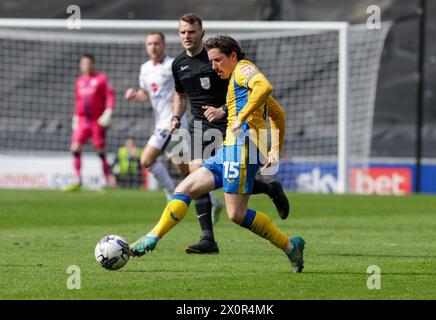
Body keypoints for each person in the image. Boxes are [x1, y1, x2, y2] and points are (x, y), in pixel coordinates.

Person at [129, 35, 305, 273]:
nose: (214, 66)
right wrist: (274, 150)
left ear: (233, 55)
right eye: (211, 61)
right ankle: (152, 237)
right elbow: (278, 113)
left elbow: (265, 86)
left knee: (236, 214)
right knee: (184, 189)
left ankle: (289, 246)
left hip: (242, 149)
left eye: (218, 60)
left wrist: (242, 119)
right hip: (228, 149)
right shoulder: (238, 81)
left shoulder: (244, 69)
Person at [169, 13, 290, 254]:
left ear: (201, 33)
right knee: (195, 171)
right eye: (182, 32)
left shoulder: (218, 59)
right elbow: (180, 95)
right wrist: (175, 117)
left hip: (229, 124)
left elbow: (243, 92)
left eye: (191, 32)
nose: (186, 36)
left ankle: (269, 189)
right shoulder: (179, 64)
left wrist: (224, 111)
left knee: (225, 184)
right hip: (199, 125)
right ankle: (207, 237)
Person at [124, 32, 190, 200]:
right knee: (184, 170)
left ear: (164, 45)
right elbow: (146, 94)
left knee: (146, 160)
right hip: (161, 123)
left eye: (156, 43)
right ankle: (213, 201)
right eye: (150, 44)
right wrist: (134, 95)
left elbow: (184, 91)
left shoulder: (172, 65)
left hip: (173, 123)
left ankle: (171, 194)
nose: (153, 47)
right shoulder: (145, 68)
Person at [64, 54, 115, 191]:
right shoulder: (79, 81)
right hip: (82, 121)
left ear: (93, 64)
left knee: (100, 150)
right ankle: (77, 179)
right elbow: (78, 100)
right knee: (75, 148)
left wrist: (108, 111)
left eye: (88, 63)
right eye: (83, 64)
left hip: (96, 121)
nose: (85, 66)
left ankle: (106, 180)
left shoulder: (102, 79)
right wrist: (75, 116)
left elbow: (110, 95)